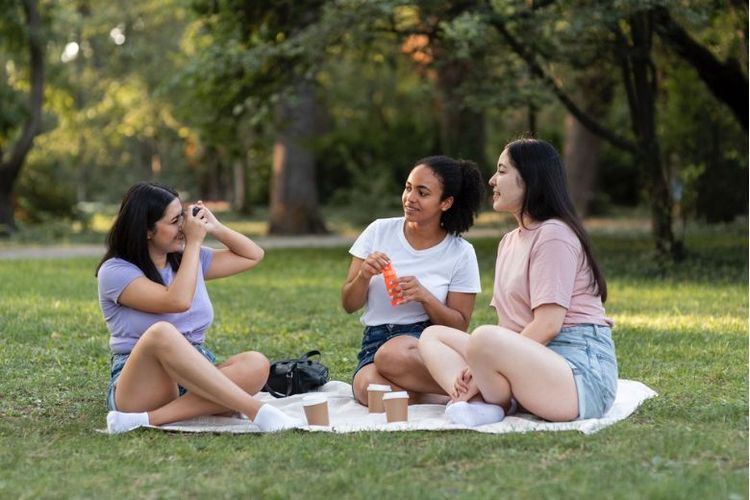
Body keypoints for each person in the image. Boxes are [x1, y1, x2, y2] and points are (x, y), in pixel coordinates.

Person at [419, 138, 618, 426]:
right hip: (534, 363)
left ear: (529, 179)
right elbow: (509, 328)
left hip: (579, 379)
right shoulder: (509, 241)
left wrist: (479, 367)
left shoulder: (554, 234)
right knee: (434, 336)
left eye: (501, 171)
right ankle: (478, 399)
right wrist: (481, 367)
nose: (491, 180)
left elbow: (548, 324)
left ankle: (485, 400)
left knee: (484, 338)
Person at [97, 182, 297, 433]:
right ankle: (255, 410)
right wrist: (192, 245)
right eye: (174, 221)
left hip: (196, 373)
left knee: (256, 364)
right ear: (147, 230)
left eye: (183, 216)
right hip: (142, 383)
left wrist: (215, 227)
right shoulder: (115, 272)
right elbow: (177, 301)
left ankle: (148, 420)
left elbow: (252, 255)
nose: (184, 226)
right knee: (162, 332)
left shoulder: (186, 258)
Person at [341, 156, 484, 405]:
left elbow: (459, 325)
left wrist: (425, 297)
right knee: (371, 391)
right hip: (373, 342)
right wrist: (364, 275)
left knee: (392, 355)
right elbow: (348, 304)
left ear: (446, 202)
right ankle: (464, 389)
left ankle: (478, 385)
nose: (410, 198)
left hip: (423, 342)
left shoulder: (460, 252)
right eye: (408, 188)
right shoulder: (378, 230)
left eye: (422, 192)